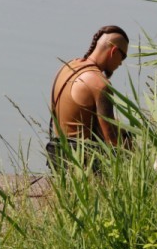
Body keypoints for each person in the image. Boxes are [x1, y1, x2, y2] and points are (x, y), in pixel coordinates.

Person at [46, 25, 132, 168]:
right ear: (114, 51)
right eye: (122, 56)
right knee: (127, 139)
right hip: (82, 160)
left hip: (57, 154)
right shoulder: (100, 84)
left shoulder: (68, 66)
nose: (121, 63)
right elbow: (111, 140)